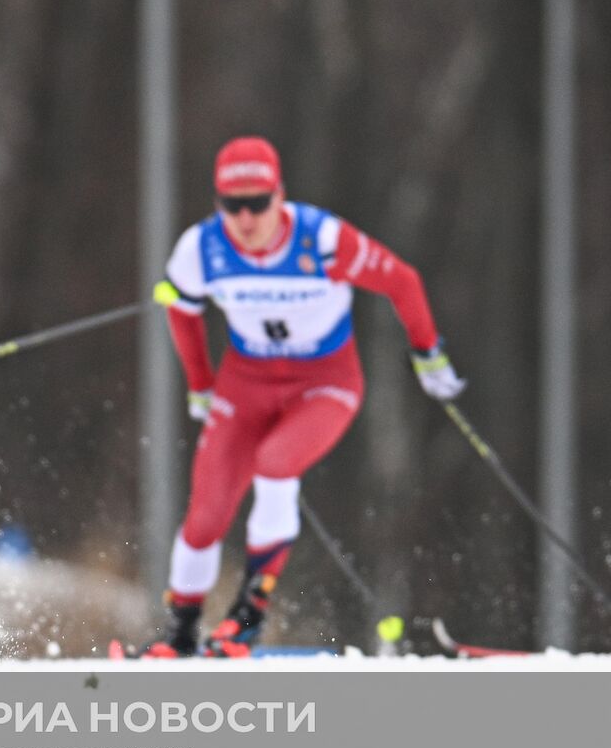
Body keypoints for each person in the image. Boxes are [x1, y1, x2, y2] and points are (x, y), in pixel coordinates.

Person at [144, 136, 465, 658]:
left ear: (280, 195)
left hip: (324, 383)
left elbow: (402, 281)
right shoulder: (201, 249)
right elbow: (180, 310)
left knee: (275, 464)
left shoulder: (324, 240)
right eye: (232, 205)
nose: (245, 218)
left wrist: (429, 355)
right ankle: (179, 635)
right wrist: (201, 384)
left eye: (257, 203)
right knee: (206, 513)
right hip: (245, 385)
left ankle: (246, 619)